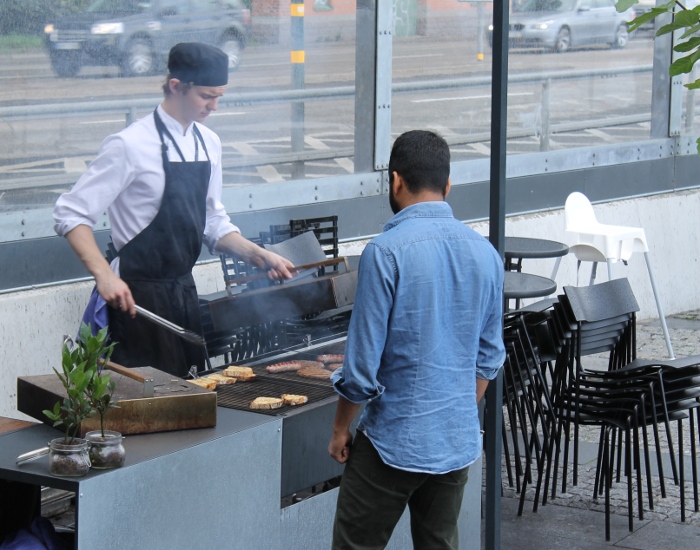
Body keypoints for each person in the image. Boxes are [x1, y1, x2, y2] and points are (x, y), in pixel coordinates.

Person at [53, 43, 293, 377]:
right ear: (176, 86)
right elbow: (71, 213)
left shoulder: (208, 143)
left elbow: (212, 221)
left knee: (189, 391)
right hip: (136, 300)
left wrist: (258, 255)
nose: (214, 106)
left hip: (183, 295)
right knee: (145, 399)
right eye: (206, 96)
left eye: (219, 96)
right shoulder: (130, 145)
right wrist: (104, 275)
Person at [328, 130, 505, 549]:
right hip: (455, 441)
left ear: (395, 181)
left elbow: (361, 369)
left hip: (392, 442)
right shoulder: (486, 254)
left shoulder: (384, 252)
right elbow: (488, 358)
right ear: (447, 186)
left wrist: (340, 429)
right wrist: (452, 411)